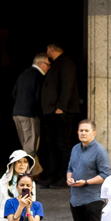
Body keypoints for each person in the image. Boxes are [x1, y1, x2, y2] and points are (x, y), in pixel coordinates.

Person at [65, 119, 111, 221]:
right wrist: (69, 178)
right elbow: (70, 168)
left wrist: (86, 182)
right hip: (76, 198)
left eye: (86, 130)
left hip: (93, 198)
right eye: (81, 130)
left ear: (94, 133)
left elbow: (105, 175)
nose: (83, 133)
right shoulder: (75, 149)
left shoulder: (99, 151)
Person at [40, 40, 81, 181]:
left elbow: (67, 86)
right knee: (53, 144)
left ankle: (65, 176)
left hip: (62, 112)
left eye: (47, 49)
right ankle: (53, 175)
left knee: (62, 145)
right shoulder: (59, 63)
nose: (47, 52)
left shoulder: (65, 63)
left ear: (51, 49)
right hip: (54, 112)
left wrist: (61, 107)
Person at [11, 52, 50, 170]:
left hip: (17, 113)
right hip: (29, 115)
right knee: (30, 146)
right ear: (39, 63)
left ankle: (36, 171)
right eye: (47, 64)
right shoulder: (38, 76)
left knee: (26, 144)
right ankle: (25, 174)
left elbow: (14, 93)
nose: (49, 67)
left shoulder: (23, 74)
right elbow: (39, 98)